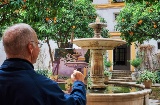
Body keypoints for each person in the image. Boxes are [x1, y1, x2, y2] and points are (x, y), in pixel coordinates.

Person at [0, 23, 86, 105]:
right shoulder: (42, 86)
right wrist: (79, 83)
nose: (39, 49)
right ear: (30, 48)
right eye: (38, 44)